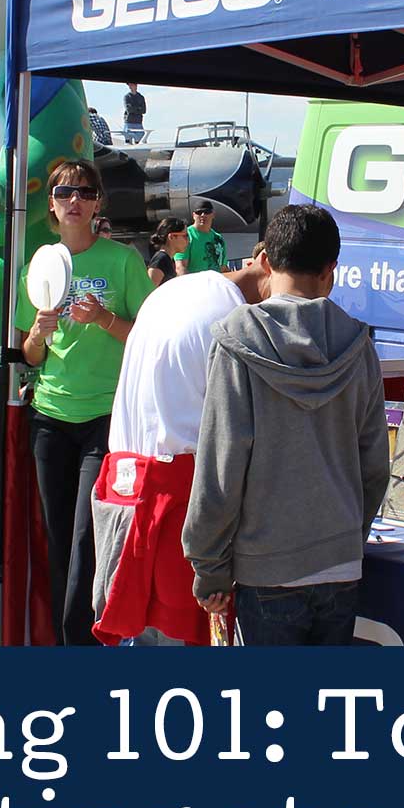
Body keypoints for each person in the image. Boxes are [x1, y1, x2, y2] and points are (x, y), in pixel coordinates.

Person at [183, 204, 386, 646]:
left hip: (265, 569)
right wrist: (348, 533)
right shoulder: (358, 343)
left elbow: (221, 466)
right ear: (331, 270)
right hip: (341, 565)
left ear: (267, 263)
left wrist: (208, 565)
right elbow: (374, 466)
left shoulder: (237, 341)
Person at [93, 254, 272, 646]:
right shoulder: (231, 317)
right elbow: (236, 435)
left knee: (139, 638)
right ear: (265, 263)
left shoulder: (173, 290)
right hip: (176, 500)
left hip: (126, 489)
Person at [22, 158, 152, 644]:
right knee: (58, 541)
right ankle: (61, 642)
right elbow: (32, 356)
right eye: (63, 193)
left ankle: (82, 644)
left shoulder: (122, 261)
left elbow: (145, 335)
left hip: (105, 417)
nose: (73, 201)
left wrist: (104, 320)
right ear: (51, 205)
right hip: (49, 417)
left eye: (83, 192)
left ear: (98, 203)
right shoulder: (41, 264)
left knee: (85, 538)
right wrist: (38, 330)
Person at [182, 202, 226, 274]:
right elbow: (181, 267)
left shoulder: (218, 238)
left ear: (213, 215)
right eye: (199, 212)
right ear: (193, 215)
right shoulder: (186, 236)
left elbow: (223, 268)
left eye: (207, 212)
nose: (203, 215)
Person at [145, 218, 188, 285]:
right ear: (171, 237)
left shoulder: (169, 259)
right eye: (185, 236)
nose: (188, 240)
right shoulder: (160, 260)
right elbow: (149, 291)